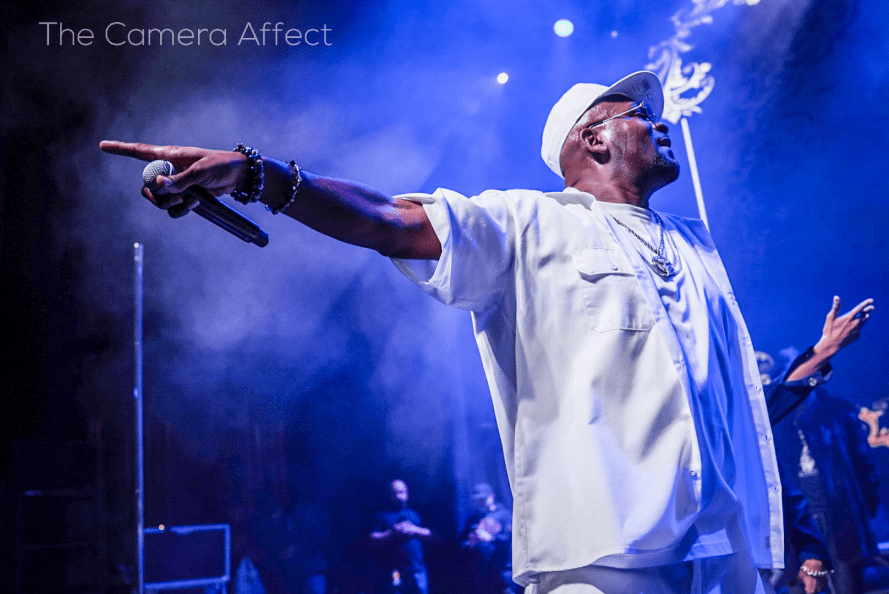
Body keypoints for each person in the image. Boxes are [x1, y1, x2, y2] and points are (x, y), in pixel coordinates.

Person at [102, 71, 813, 593]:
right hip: (605, 557)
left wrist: (785, 541)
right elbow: (389, 221)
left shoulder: (693, 243)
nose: (660, 122)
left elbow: (725, 404)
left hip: (724, 553)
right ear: (593, 137)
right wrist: (257, 176)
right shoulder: (528, 222)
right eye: (640, 114)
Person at [369, 479, 432, 594]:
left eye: (401, 492)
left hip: (417, 569)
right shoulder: (382, 515)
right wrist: (392, 533)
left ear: (407, 493)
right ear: (390, 494)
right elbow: (373, 538)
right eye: (395, 493)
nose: (398, 496)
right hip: (395, 570)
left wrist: (414, 529)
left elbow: (432, 534)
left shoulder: (417, 512)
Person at [460, 483, 516, 594]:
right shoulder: (473, 519)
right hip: (481, 573)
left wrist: (491, 538)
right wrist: (470, 543)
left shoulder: (504, 516)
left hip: (503, 570)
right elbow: (461, 542)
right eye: (477, 500)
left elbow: (511, 541)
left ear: (491, 497)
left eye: (482, 499)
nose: (480, 502)